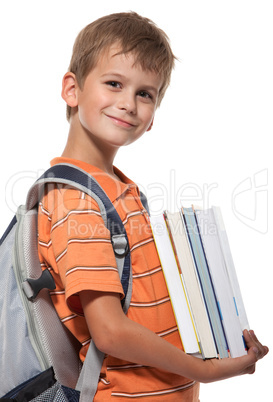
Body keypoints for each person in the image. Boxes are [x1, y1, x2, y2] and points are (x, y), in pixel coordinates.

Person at [37, 11, 268, 401]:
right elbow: (109, 331)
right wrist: (206, 371)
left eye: (145, 93)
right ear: (71, 90)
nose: (128, 104)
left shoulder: (119, 189)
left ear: (153, 115)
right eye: (114, 83)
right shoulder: (76, 200)